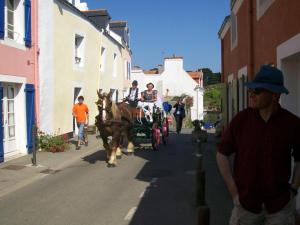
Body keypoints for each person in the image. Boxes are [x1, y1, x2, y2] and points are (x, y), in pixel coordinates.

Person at [216, 65, 300, 225]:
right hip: (245, 206)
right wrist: (234, 192)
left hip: (280, 208)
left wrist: (294, 189)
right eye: (251, 89)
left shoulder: (292, 124)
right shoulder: (241, 120)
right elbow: (221, 154)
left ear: (275, 95)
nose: (251, 94)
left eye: (257, 90)